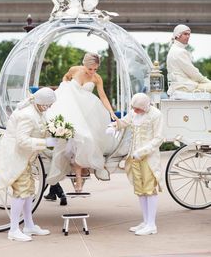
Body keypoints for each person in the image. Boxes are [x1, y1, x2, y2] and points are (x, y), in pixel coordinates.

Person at [46, 52, 117, 192]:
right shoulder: (74, 70)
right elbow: (66, 78)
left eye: (96, 69)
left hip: (86, 111)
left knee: (85, 140)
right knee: (73, 139)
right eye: (90, 69)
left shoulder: (97, 78)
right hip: (70, 108)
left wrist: (111, 111)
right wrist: (65, 86)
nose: (92, 72)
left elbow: (102, 96)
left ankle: (80, 178)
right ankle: (77, 178)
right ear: (84, 64)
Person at [0, 87, 57, 242]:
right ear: (41, 102)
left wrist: (58, 131)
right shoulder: (28, 115)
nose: (49, 107)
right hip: (17, 156)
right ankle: (14, 229)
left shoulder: (37, 111)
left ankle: (29, 225)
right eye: (48, 104)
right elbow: (22, 141)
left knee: (28, 190)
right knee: (21, 191)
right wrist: (45, 142)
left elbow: (42, 128)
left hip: (26, 157)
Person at [108, 93, 163, 236]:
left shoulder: (156, 115)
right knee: (140, 190)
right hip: (134, 156)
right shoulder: (134, 112)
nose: (135, 111)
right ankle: (145, 221)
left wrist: (143, 151)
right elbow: (124, 122)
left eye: (138, 109)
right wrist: (114, 125)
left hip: (148, 157)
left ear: (145, 106)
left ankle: (152, 224)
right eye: (134, 108)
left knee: (150, 189)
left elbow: (159, 138)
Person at [166, 24, 211, 96]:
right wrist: (207, 81)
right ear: (178, 35)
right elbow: (193, 73)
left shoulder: (173, 49)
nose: (188, 36)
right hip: (185, 86)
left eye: (189, 34)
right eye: (185, 34)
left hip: (180, 85)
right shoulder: (180, 51)